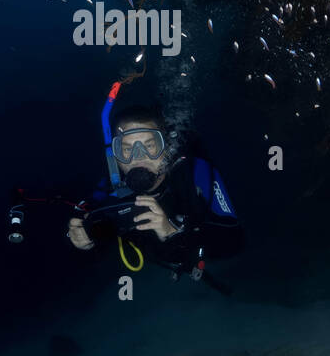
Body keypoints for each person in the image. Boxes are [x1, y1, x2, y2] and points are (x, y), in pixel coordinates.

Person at [67, 102, 244, 280]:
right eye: (127, 149)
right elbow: (85, 210)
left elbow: (234, 241)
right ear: (115, 156)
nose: (139, 157)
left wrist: (173, 232)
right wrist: (80, 235)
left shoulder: (196, 172)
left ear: (167, 147)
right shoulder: (113, 183)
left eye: (150, 146)